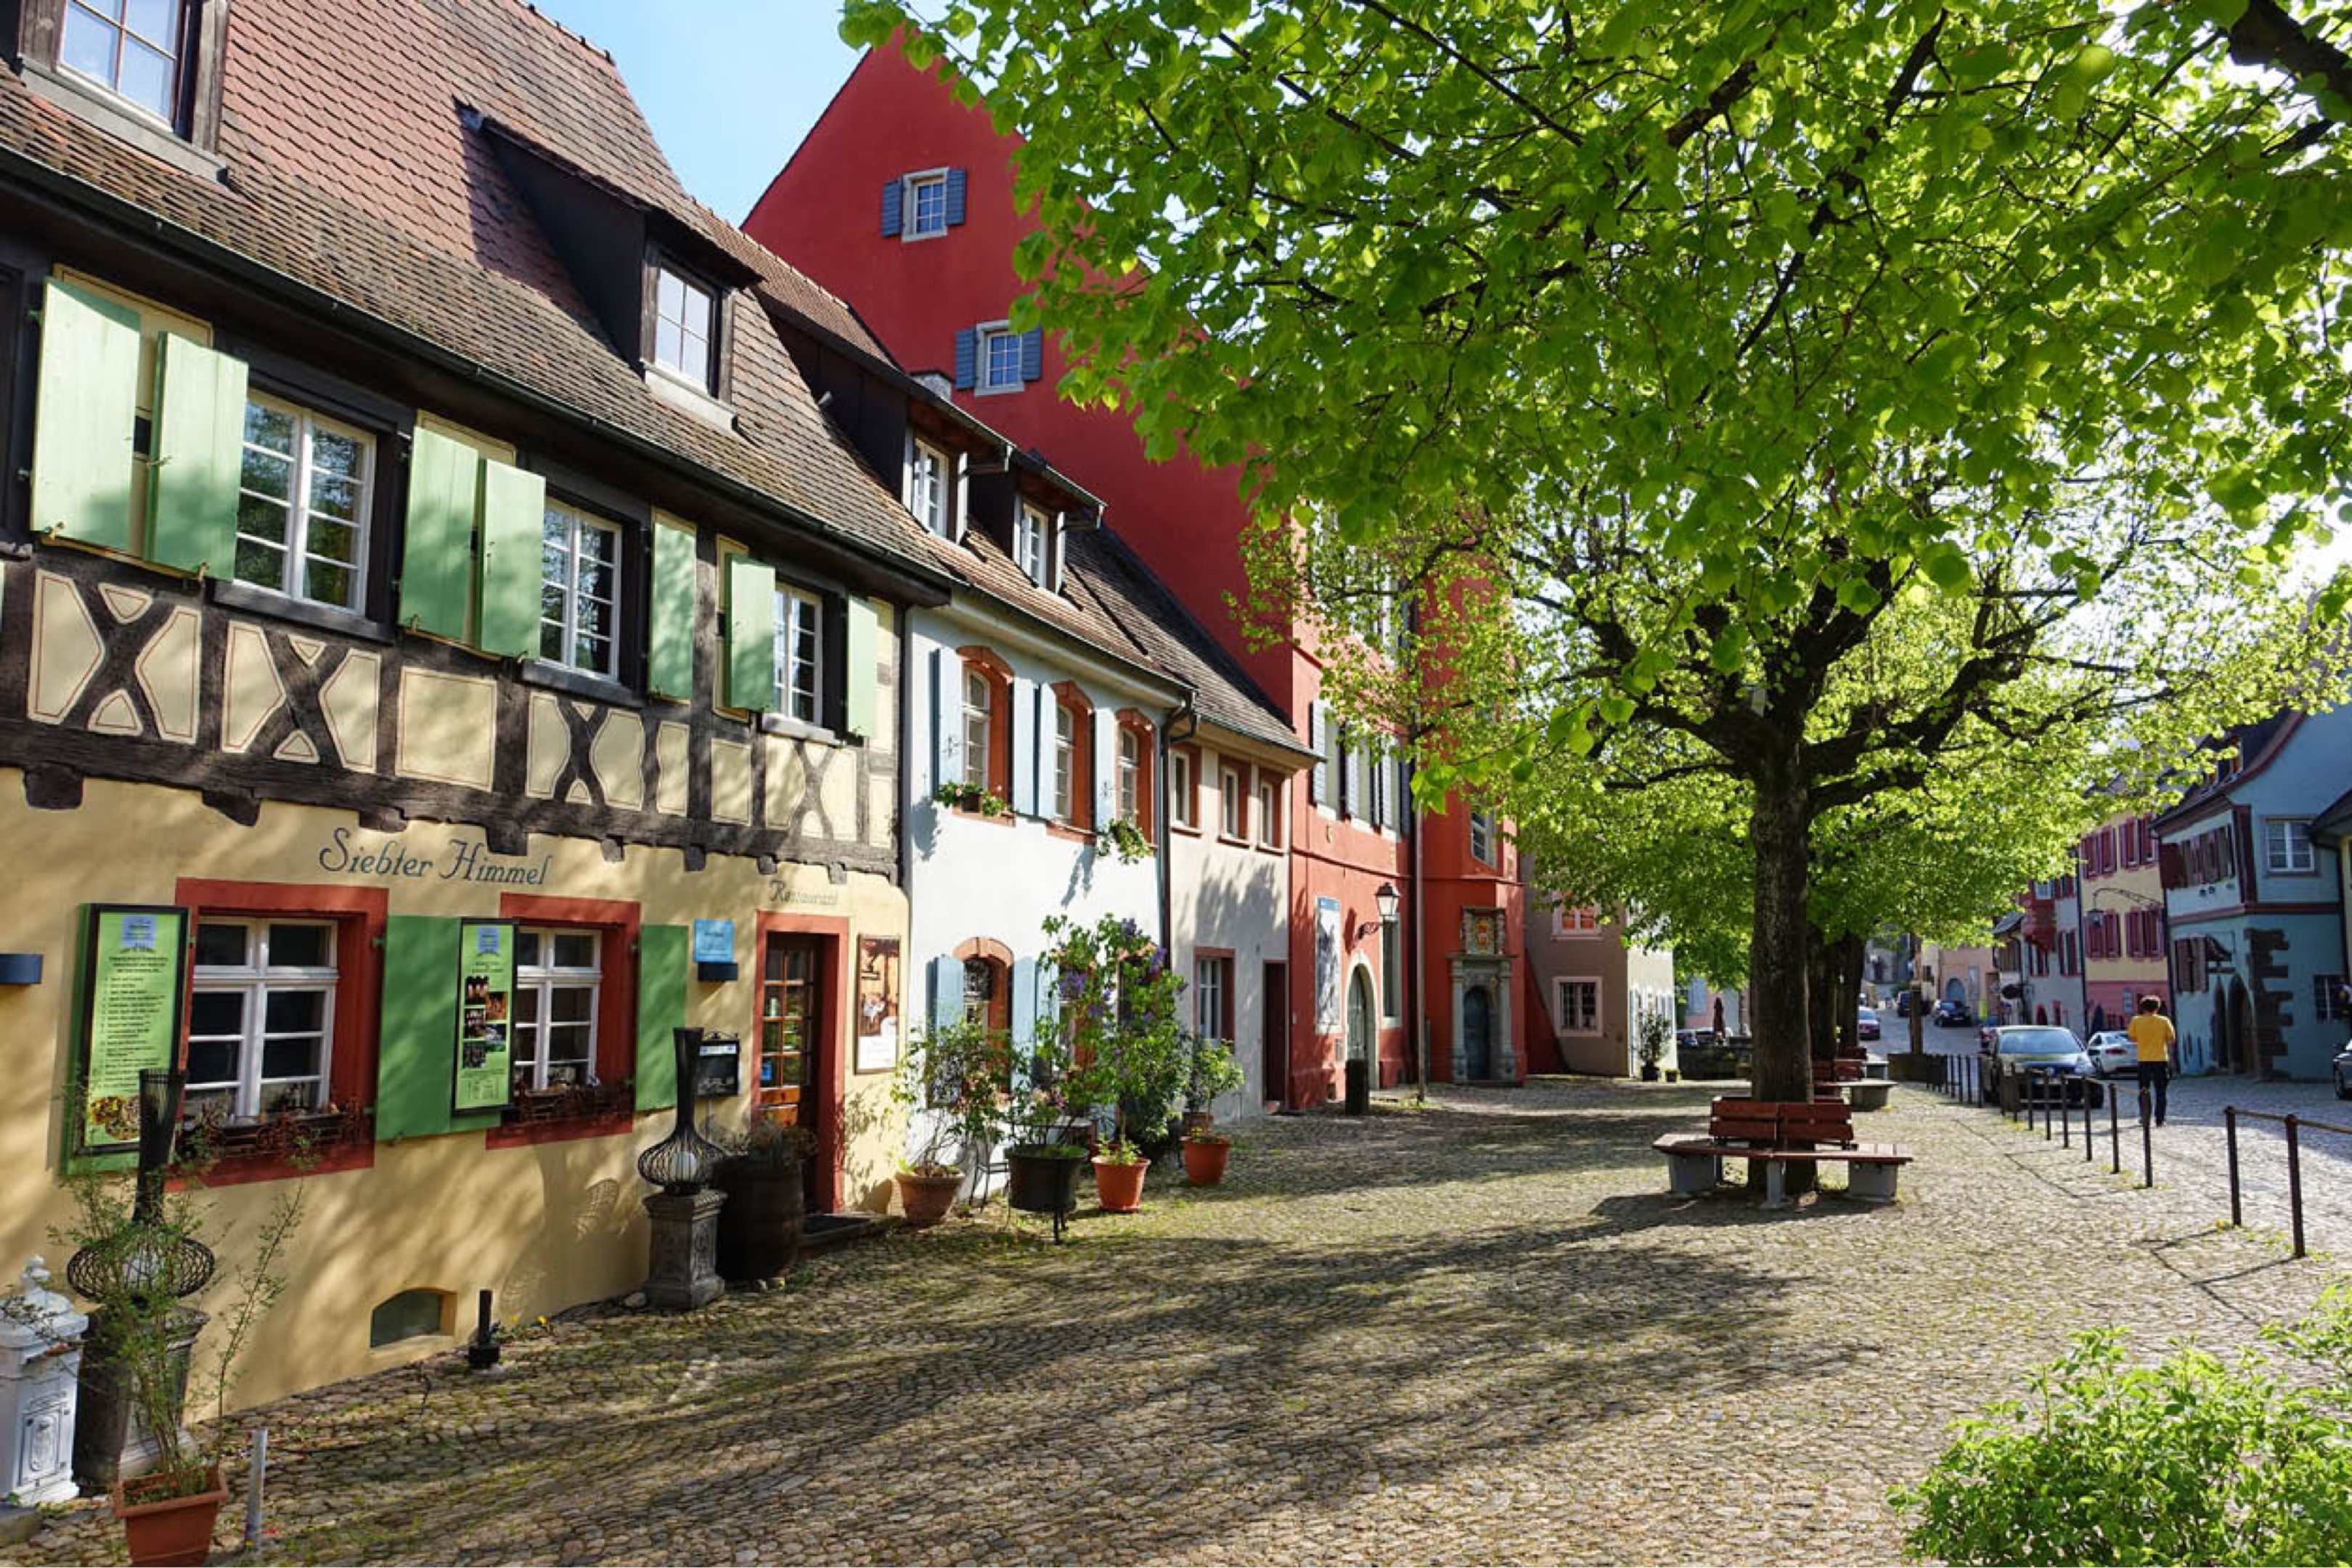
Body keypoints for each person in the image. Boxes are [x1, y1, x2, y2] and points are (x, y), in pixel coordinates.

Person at [2127, 995, 2176, 1127]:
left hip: (2144, 1059)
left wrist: (2143, 1039)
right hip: (2160, 1059)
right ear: (2157, 1008)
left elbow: (2132, 1038)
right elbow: (2171, 1039)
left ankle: (2145, 1117)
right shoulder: (2164, 1021)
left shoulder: (2136, 1021)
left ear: (2142, 1008)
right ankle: (2160, 1119)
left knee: (2144, 1090)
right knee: (2161, 1090)